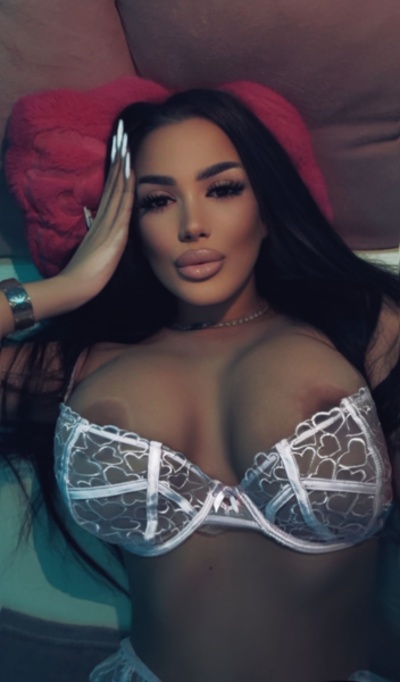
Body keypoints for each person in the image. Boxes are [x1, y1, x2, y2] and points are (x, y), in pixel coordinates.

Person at [0, 87, 399, 682]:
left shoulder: (363, 327)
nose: (191, 224)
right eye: (157, 201)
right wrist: (68, 286)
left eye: (223, 189)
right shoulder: (86, 362)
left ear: (268, 206)